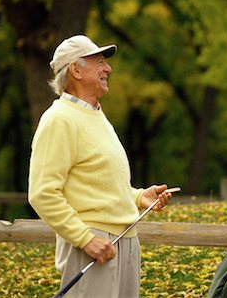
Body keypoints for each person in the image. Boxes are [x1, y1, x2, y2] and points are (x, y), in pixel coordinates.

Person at [28, 35, 172, 298]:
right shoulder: (59, 120)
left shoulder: (96, 116)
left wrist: (139, 197)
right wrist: (85, 239)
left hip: (125, 240)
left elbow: (99, 183)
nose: (108, 69)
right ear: (75, 69)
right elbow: (42, 193)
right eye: (100, 62)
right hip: (92, 245)